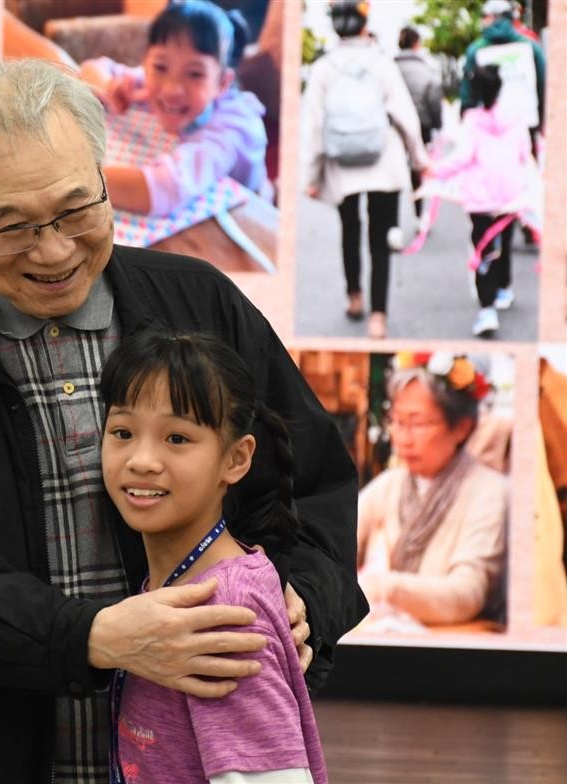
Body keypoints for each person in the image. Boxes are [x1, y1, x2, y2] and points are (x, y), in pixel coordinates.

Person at [0, 58, 365, 783]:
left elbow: (313, 484)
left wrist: (306, 600)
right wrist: (94, 637)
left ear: (105, 177)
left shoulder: (199, 305)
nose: (53, 251)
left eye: (77, 210)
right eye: (11, 226)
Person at [101, 330, 327, 783]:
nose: (141, 460)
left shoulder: (226, 613)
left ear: (236, 459)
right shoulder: (193, 584)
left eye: (177, 438)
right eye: (123, 432)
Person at [300, 0, 429, 339]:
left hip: (342, 164)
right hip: (383, 161)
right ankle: (378, 318)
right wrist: (420, 159)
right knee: (380, 239)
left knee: (350, 230)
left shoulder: (323, 68)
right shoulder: (382, 64)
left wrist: (311, 176)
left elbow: (313, 127)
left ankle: (355, 296)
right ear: (364, 25)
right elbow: (406, 117)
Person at [78, 0, 268, 216]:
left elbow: (165, 188)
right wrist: (110, 87)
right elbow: (92, 68)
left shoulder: (232, 127)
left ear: (222, 83)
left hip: (248, 217)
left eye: (195, 74)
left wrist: (75, 180)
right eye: (160, 67)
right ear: (146, 63)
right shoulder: (146, 81)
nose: (171, 90)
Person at [357, 352, 507, 626]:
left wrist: (382, 587)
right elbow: (334, 543)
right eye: (397, 421)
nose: (403, 438)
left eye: (416, 423)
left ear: (461, 428)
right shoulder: (389, 484)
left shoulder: (491, 492)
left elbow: (467, 594)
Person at [430, 65, 534, 338]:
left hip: (481, 196)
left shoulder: (473, 121)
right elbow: (525, 153)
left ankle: (487, 309)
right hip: (510, 194)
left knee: (483, 247)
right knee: (505, 242)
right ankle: (504, 288)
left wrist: (435, 171)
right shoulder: (515, 118)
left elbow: (462, 157)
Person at [460, 0, 546, 154]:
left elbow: (468, 94)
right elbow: (543, 87)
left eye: (484, 17)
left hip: (486, 132)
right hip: (526, 124)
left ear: (492, 17)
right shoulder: (531, 47)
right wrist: (541, 121)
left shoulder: (475, 50)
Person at [394, 25, 442, 226]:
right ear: (416, 43)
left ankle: (392, 223)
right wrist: (437, 124)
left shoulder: (390, 67)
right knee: (417, 168)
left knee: (394, 168)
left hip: (394, 125)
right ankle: (419, 214)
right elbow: (434, 99)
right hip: (421, 124)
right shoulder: (426, 69)